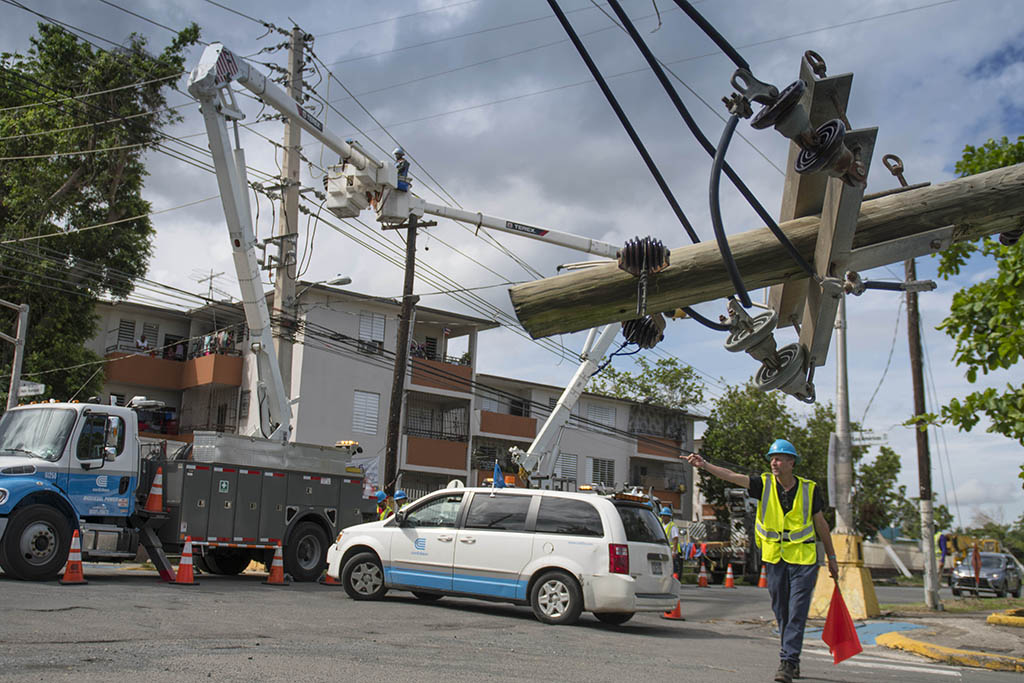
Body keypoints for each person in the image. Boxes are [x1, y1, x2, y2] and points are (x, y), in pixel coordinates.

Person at [684, 440, 838, 683]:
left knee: (797, 611)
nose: (774, 463)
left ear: (791, 462)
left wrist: (832, 558)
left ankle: (787, 662)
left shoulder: (810, 489)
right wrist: (705, 465)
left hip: (804, 560)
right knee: (782, 611)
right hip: (775, 558)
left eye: (779, 458)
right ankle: (793, 659)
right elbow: (733, 476)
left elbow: (821, 525)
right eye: (772, 459)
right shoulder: (763, 484)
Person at [660, 506, 682, 579]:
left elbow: (675, 539)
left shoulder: (672, 526)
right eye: (662, 515)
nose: (662, 517)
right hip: (666, 550)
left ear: (669, 516)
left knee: (674, 569)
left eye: (664, 515)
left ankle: (675, 582)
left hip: (672, 551)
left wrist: (674, 552)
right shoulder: (662, 525)